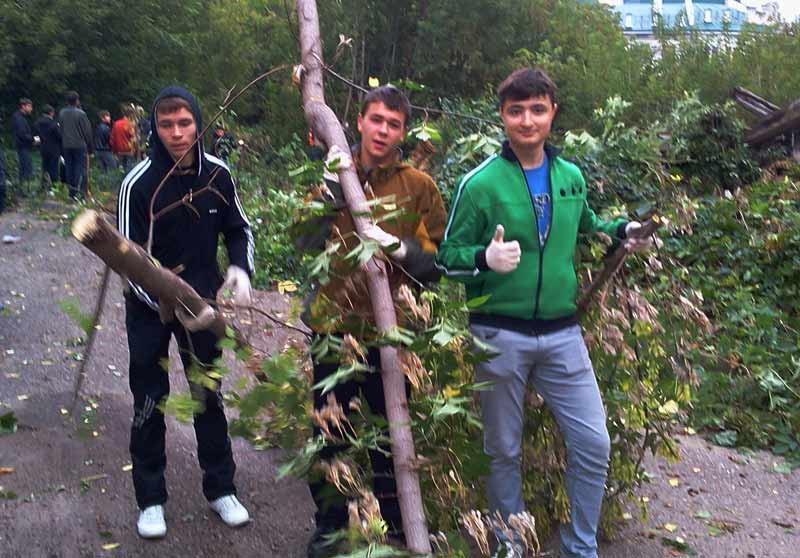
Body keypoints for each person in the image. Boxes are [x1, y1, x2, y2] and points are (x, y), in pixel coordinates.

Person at [436, 68, 653, 558]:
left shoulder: (570, 177)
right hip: (499, 334)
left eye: (537, 109)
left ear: (553, 112)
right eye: (516, 111)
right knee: (503, 450)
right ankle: (509, 545)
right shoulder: (479, 184)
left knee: (593, 443)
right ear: (502, 116)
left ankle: (581, 548)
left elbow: (587, 223)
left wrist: (623, 230)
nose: (527, 120)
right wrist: (483, 259)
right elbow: (447, 257)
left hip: (562, 334)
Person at [296, 85, 447, 558]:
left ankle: (396, 526)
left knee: (391, 436)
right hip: (332, 327)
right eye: (376, 120)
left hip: (391, 333)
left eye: (393, 124)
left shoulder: (418, 188)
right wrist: (329, 194)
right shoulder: (334, 175)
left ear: (403, 132)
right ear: (360, 122)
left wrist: (400, 249)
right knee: (329, 432)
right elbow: (302, 241)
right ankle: (330, 527)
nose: (383, 131)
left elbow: (435, 262)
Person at [117, 85, 254, 539]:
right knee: (149, 399)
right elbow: (127, 258)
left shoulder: (217, 175)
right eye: (166, 125)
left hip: (203, 304)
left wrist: (239, 267)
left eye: (184, 123)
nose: (176, 133)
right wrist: (166, 301)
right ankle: (151, 499)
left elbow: (238, 228)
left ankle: (221, 488)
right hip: (148, 308)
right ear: (154, 129)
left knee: (207, 395)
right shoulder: (138, 184)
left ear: (198, 123)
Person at [58, 90, 93, 199]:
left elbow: (61, 128)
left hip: (66, 144)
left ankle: (71, 192)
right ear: (77, 101)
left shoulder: (62, 113)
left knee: (69, 167)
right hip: (79, 144)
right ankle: (80, 192)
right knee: (79, 168)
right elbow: (87, 131)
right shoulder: (81, 114)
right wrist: (90, 146)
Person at [11, 98, 38, 185]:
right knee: (26, 169)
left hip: (24, 146)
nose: (31, 109)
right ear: (23, 106)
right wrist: (34, 139)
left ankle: (22, 188)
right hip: (23, 147)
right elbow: (22, 134)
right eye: (29, 106)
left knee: (24, 168)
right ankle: (24, 189)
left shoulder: (21, 117)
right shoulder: (18, 118)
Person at [35, 105, 62, 187]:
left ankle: (44, 186)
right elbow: (59, 136)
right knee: (54, 169)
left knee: (45, 168)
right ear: (51, 113)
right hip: (54, 150)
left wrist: (38, 144)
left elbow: (36, 136)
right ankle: (54, 187)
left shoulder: (37, 123)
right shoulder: (54, 124)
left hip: (43, 149)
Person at [110, 105, 137, 172]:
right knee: (129, 169)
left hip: (119, 150)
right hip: (129, 150)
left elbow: (112, 139)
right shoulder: (130, 124)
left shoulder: (116, 124)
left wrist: (114, 151)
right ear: (131, 115)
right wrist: (135, 149)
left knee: (121, 169)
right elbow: (134, 139)